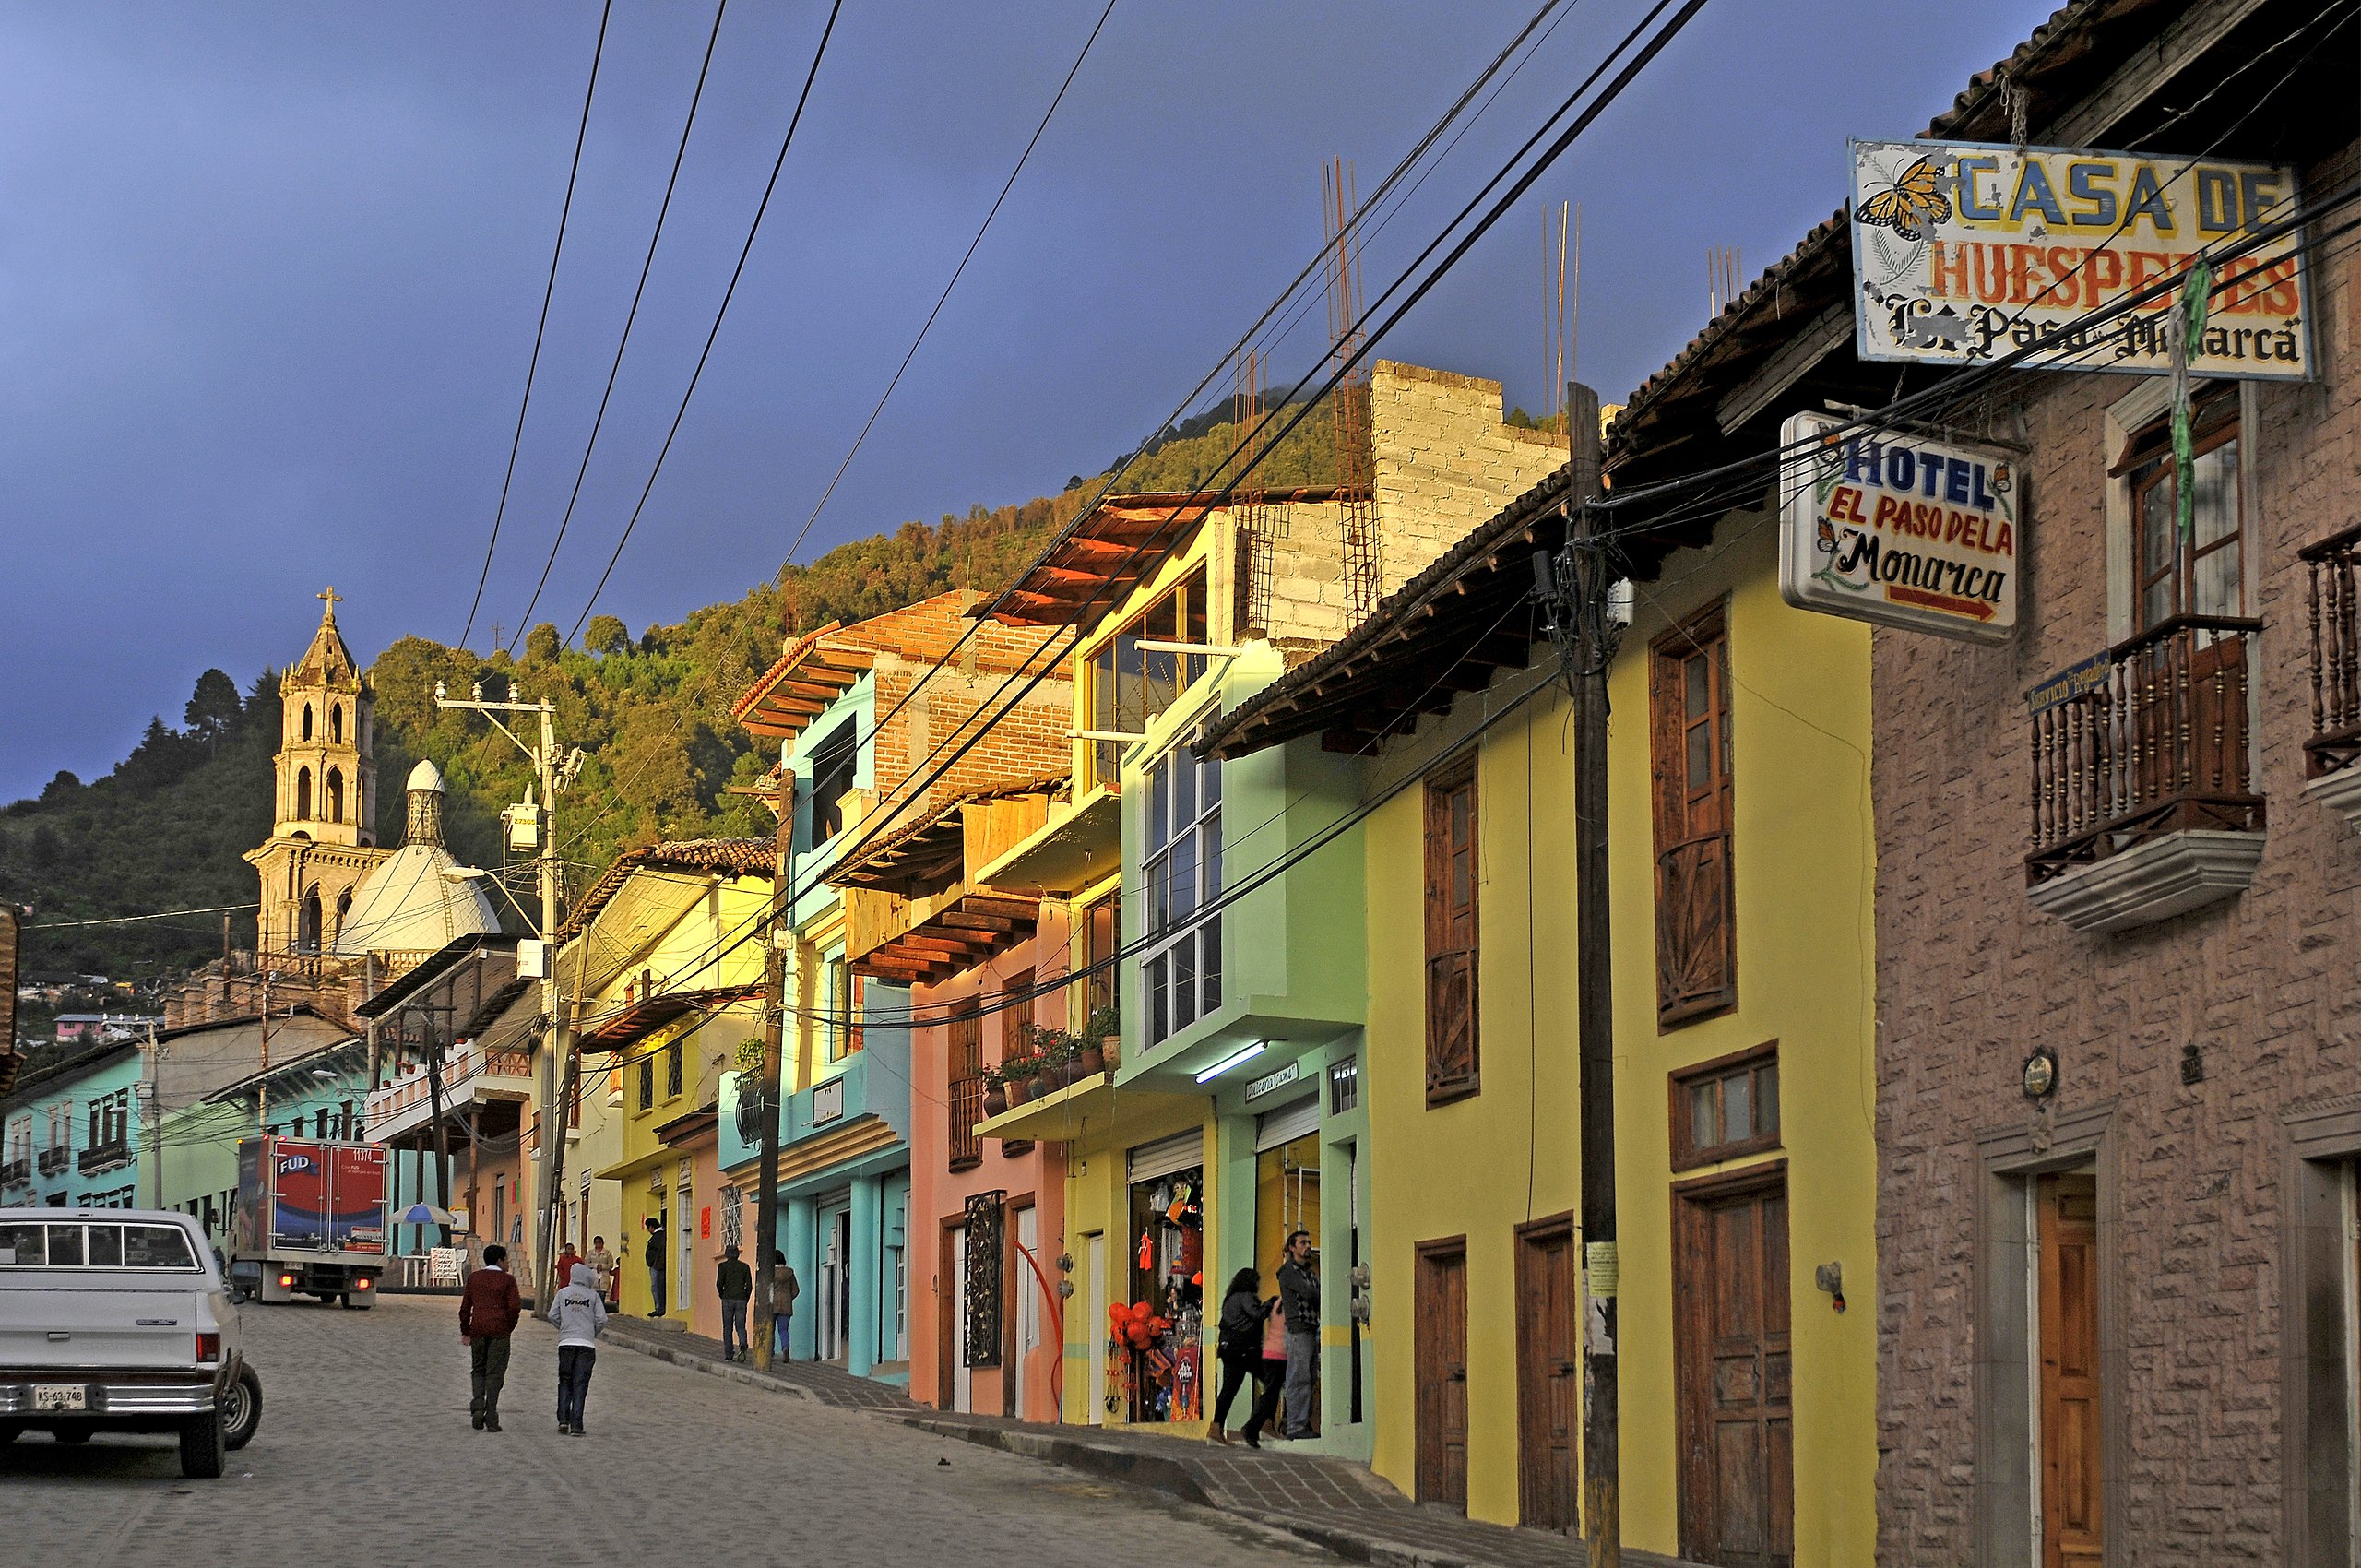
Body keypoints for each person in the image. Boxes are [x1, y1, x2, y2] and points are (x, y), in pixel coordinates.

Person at [1210, 1267, 1279, 1446]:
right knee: (1272, 1382)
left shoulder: (1229, 1299)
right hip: (1246, 1351)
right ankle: (1265, 1424)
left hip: (1230, 1351)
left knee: (1228, 1391)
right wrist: (1270, 1304)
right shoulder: (1245, 1296)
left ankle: (1215, 1430)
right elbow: (1256, 1315)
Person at [458, 1241, 522, 1432]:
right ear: (500, 1260)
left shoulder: (474, 1278)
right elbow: (514, 1307)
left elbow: (464, 1309)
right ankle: (491, 1414)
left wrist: (466, 1330)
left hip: (477, 1328)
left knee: (478, 1369)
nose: (508, 1263)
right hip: (500, 1330)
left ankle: (478, 1405)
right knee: (495, 1373)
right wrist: (508, 1327)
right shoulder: (508, 1281)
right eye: (506, 1259)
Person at [548, 1259, 608, 1435]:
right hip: (586, 1345)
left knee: (565, 1381)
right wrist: (591, 1331)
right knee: (580, 1384)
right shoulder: (593, 1296)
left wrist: (564, 1327)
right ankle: (577, 1424)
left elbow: (553, 1315)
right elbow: (602, 1319)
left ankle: (563, 1420)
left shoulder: (562, 1293)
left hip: (566, 1343)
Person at [1275, 1229, 1320, 1441]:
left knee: (1308, 1378)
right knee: (1298, 1378)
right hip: (1298, 1329)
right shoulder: (1288, 1271)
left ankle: (1297, 1422)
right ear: (1292, 1247)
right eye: (1303, 1242)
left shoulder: (1309, 1273)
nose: (1308, 1246)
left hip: (1310, 1329)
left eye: (1309, 1242)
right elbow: (1311, 1293)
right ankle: (1295, 1426)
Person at [716, 1242, 753, 1361]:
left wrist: (722, 1294)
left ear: (726, 1254)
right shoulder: (745, 1267)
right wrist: (746, 1297)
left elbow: (719, 1283)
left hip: (727, 1298)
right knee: (740, 1325)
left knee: (727, 1327)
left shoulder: (722, 1266)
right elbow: (749, 1285)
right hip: (741, 1299)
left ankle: (729, 1353)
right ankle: (742, 1342)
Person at [771, 1249, 800, 1361]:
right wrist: (788, 1298)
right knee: (783, 1330)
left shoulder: (770, 1272)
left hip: (772, 1304)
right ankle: (785, 1347)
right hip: (786, 1306)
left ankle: (770, 1352)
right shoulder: (790, 1273)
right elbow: (796, 1290)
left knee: (770, 1329)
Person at [643, 1215, 667, 1317]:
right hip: (656, 1265)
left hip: (656, 1266)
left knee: (656, 1287)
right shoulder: (659, 1236)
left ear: (651, 1227)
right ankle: (659, 1307)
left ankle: (659, 1307)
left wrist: (653, 1263)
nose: (648, 1230)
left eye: (648, 1228)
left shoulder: (658, 1236)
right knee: (656, 1287)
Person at [587, 1235, 618, 1310]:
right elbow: (587, 1263)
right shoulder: (590, 1253)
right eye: (596, 1243)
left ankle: (601, 1309)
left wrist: (602, 1266)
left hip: (604, 1275)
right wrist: (596, 1265)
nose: (598, 1244)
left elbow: (610, 1264)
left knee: (602, 1293)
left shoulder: (608, 1253)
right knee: (594, 1293)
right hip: (594, 1275)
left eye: (600, 1242)